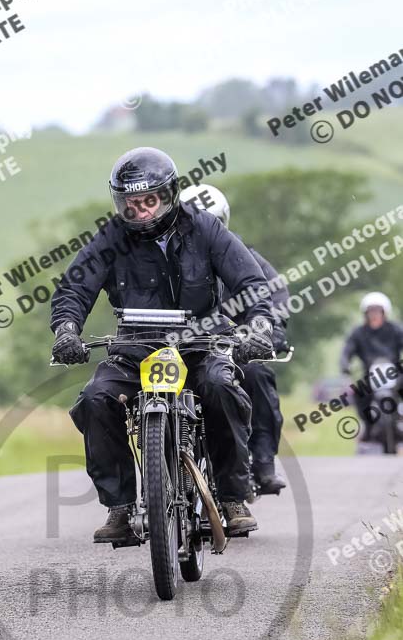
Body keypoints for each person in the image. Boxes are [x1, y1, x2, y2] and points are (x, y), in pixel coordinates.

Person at [50, 147, 274, 542]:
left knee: (223, 389)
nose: (140, 213)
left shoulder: (206, 229)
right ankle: (119, 508)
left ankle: (233, 497)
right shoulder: (110, 237)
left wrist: (257, 326)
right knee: (96, 398)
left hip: (201, 344)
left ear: (169, 195)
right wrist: (66, 330)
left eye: (149, 202)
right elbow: (74, 287)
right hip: (136, 347)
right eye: (130, 205)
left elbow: (251, 283)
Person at [180, 184, 287, 494]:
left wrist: (271, 328)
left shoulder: (242, 253)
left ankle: (263, 462)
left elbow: (273, 290)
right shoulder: (169, 258)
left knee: (256, 374)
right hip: (182, 343)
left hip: (237, 344)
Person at [340, 292, 403, 435]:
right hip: (369, 375)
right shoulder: (358, 333)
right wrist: (345, 368)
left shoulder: (396, 329)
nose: (374, 314)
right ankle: (367, 425)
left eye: (378, 311)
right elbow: (346, 352)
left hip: (395, 373)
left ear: (384, 312)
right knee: (359, 394)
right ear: (366, 313)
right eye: (371, 311)